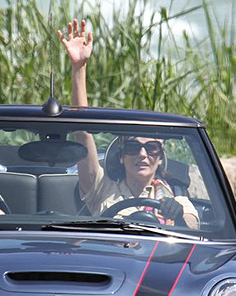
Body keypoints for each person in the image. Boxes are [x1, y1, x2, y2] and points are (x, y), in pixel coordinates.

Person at [57, 19, 199, 228]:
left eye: (151, 148)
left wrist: (178, 216)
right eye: (133, 147)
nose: (142, 154)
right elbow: (82, 131)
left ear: (160, 157)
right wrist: (79, 68)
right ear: (121, 156)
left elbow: (194, 228)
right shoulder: (101, 189)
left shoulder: (178, 200)